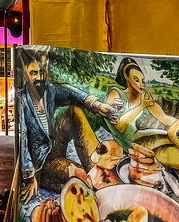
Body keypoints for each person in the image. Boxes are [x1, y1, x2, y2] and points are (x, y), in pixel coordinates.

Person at [17, 49, 117, 201]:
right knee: (80, 176)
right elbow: (23, 139)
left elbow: (71, 92)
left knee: (75, 111)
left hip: (55, 145)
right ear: (24, 75)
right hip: (42, 160)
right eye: (32, 74)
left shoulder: (48, 90)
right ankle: (88, 179)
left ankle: (96, 166)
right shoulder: (22, 100)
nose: (38, 77)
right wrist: (29, 177)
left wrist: (97, 105)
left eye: (39, 72)